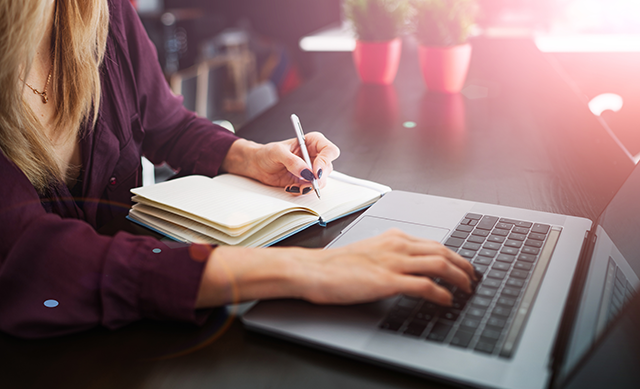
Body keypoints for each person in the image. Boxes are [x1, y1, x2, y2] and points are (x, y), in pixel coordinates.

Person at [0, 0, 476, 339]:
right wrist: (310, 270)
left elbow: (168, 125)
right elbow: (36, 260)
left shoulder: (103, 12)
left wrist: (251, 156)